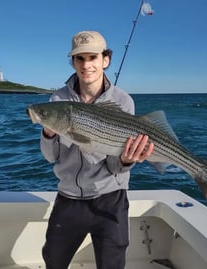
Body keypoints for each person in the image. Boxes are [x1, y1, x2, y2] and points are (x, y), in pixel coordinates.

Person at [41, 30, 154, 269]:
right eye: (79, 58)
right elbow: (51, 157)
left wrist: (125, 161)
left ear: (106, 60)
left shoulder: (123, 101)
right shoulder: (57, 101)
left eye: (92, 57)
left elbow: (115, 168)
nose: (86, 65)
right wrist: (48, 132)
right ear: (72, 62)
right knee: (53, 260)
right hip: (69, 198)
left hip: (110, 199)